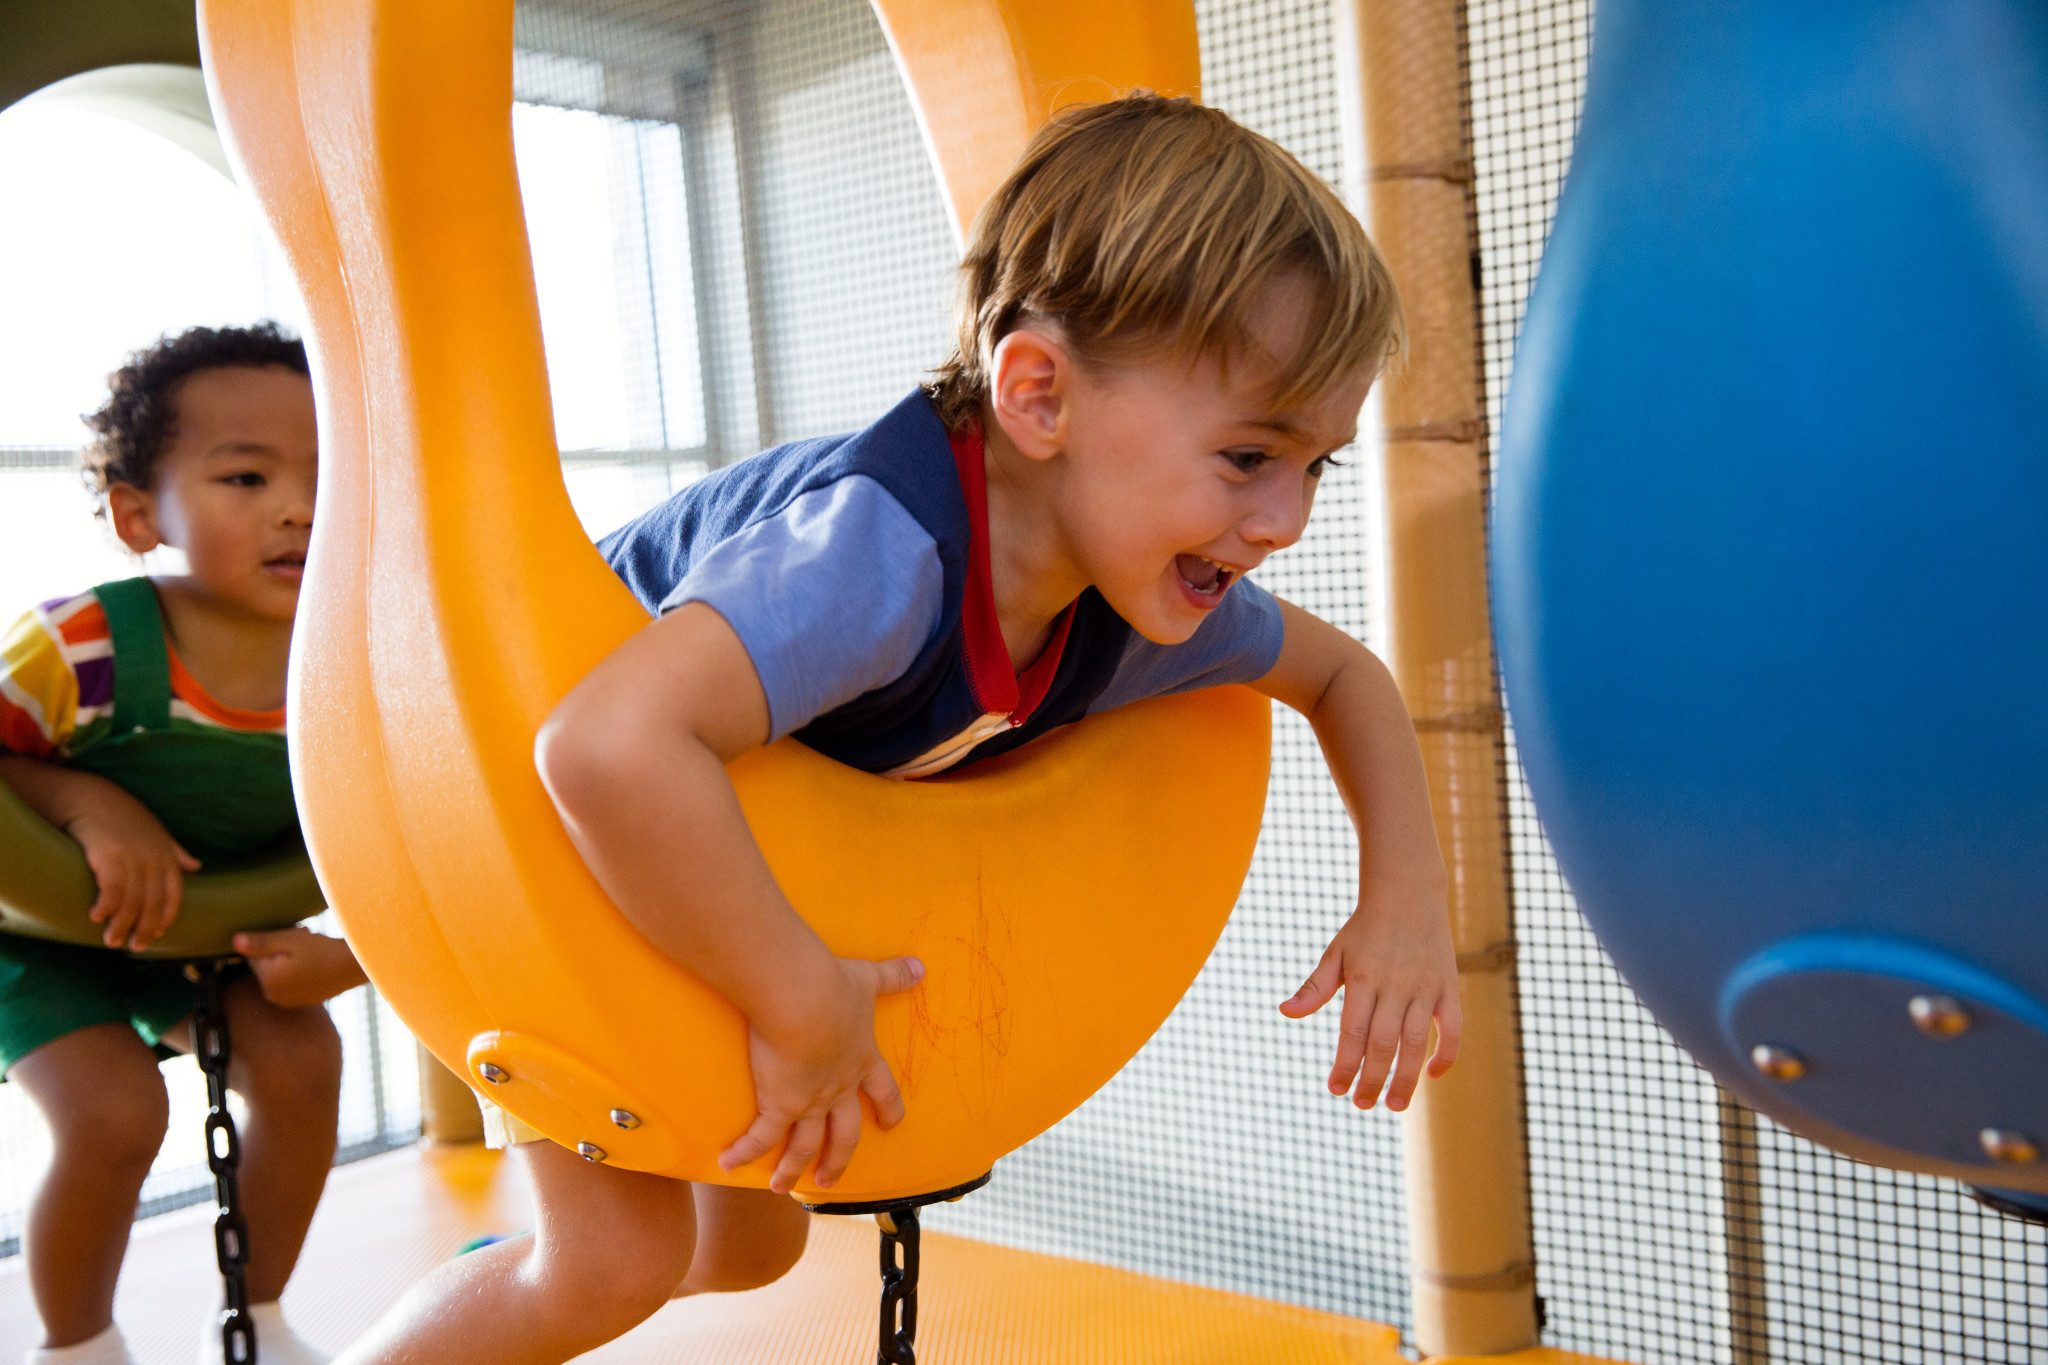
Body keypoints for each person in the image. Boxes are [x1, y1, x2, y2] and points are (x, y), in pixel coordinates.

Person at [340, 94, 1460, 1365]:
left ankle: (483, 1282)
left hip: (665, 827)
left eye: (1315, 467)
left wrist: (1405, 901)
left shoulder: (1137, 598)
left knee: (748, 1243)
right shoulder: (879, 558)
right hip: (519, 832)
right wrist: (799, 997)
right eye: (1249, 455)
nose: (1282, 522)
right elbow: (601, 748)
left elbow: (1342, 678)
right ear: (1036, 396)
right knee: (610, 1265)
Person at [0, 324, 364, 1365]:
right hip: (39, 932)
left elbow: (412, 839)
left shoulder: (357, 668)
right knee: (113, 1116)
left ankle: (261, 1316)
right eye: (245, 477)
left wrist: (347, 953)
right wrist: (83, 800)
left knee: (302, 1067)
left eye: (329, 474)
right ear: (135, 515)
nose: (299, 506)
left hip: (217, 927)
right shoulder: (83, 646)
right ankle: (76, 1346)